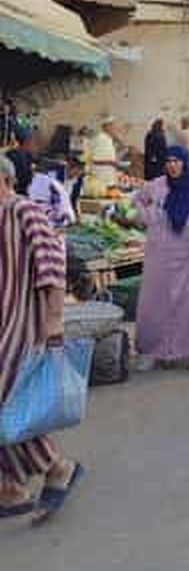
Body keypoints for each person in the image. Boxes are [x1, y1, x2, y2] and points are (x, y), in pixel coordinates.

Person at [0, 154, 83, 521]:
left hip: (21, 324)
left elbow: (53, 265)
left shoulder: (25, 211)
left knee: (6, 402)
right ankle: (14, 486)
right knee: (8, 407)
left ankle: (52, 467)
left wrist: (54, 321)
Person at [134, 145, 189, 375]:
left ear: (186, 163)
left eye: (177, 161)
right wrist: (148, 216)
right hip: (159, 258)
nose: (172, 165)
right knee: (154, 306)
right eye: (169, 161)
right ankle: (150, 352)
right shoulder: (156, 185)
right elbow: (137, 201)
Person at [89, 116, 120, 193]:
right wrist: (110, 162)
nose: (114, 128)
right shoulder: (100, 139)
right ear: (106, 127)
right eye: (112, 126)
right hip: (101, 177)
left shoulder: (108, 138)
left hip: (108, 177)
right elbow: (94, 160)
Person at [6, 126, 35, 196]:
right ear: (26, 141)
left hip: (24, 189)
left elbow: (30, 172)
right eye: (31, 141)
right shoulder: (12, 155)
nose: (33, 143)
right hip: (16, 191)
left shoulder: (27, 154)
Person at [143, 117, 168, 182]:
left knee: (150, 181)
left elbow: (147, 148)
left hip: (149, 162)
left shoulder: (149, 134)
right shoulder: (160, 135)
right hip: (158, 163)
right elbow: (163, 149)